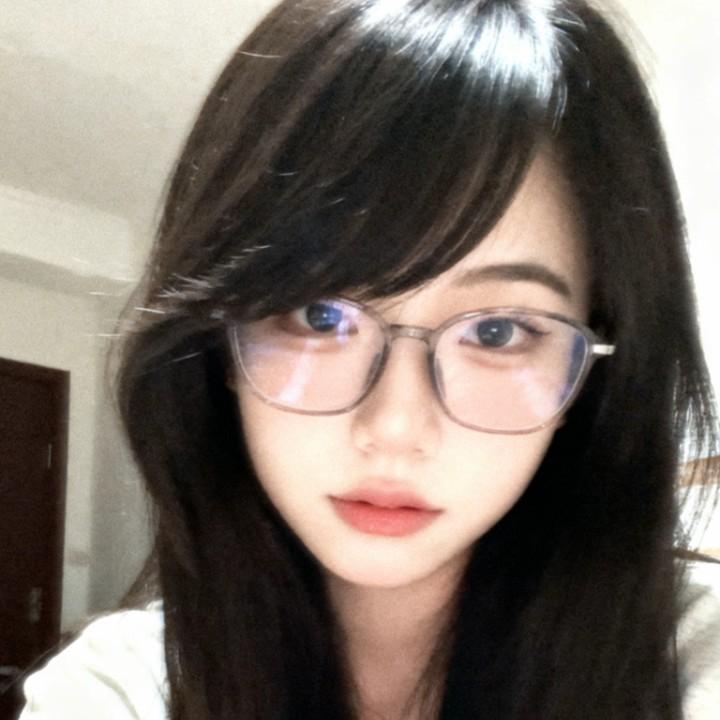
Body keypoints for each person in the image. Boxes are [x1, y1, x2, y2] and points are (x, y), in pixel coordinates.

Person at [18, 0, 720, 718]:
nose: (394, 428)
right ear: (218, 341)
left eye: (498, 332)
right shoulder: (123, 687)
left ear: (589, 375)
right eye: (319, 315)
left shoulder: (692, 662)